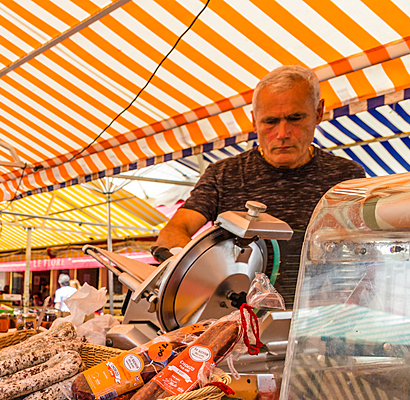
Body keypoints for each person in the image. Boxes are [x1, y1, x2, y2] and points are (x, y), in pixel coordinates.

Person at [153, 65, 365, 308]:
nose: (283, 133)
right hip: (239, 323)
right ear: (254, 121)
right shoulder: (224, 175)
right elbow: (171, 233)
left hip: (322, 318)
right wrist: (200, 270)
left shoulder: (346, 176)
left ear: (318, 112)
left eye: (295, 118)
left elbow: (366, 250)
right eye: (270, 122)